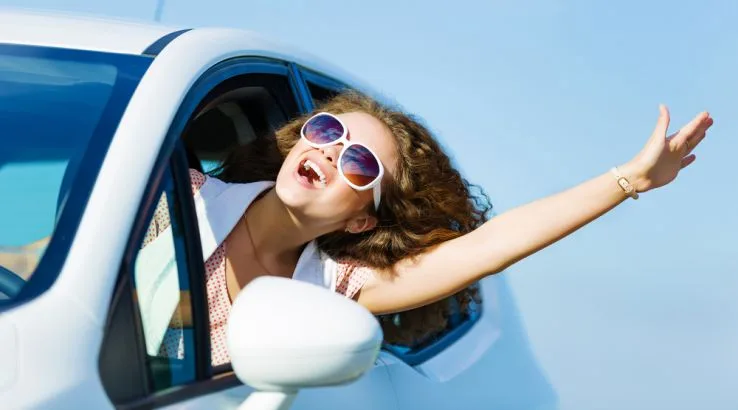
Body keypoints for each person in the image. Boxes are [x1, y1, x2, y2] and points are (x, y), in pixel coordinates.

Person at [142, 91, 712, 366]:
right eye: (326, 132)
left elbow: (490, 246)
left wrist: (629, 180)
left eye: (359, 162)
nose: (333, 152)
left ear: (361, 218)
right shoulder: (173, 197)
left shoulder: (334, 287)